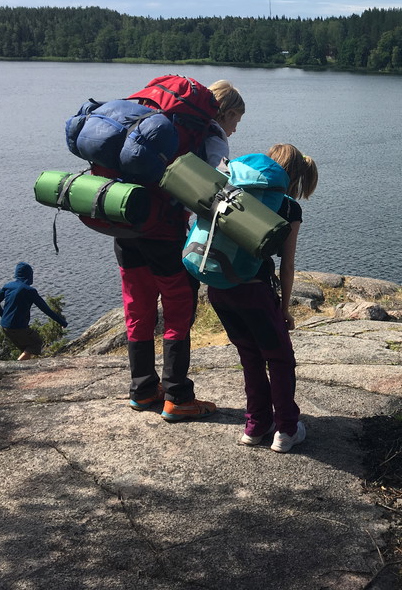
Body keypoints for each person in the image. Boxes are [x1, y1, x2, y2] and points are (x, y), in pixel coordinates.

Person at [118, 80, 245, 422]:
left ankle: (143, 389)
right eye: (237, 120)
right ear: (226, 112)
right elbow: (219, 185)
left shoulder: (154, 121)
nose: (235, 128)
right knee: (178, 308)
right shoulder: (211, 133)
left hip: (125, 221)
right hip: (163, 230)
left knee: (138, 306)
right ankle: (177, 397)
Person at [207, 144, 318, 452]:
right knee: (280, 359)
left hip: (218, 289)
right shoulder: (288, 208)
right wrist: (284, 308)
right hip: (255, 292)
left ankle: (256, 425)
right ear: (295, 177)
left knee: (250, 356)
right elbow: (288, 265)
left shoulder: (232, 193)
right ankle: (286, 429)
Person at [0, 262, 68, 360]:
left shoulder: (8, 286)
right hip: (18, 327)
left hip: (5, 326)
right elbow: (45, 309)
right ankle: (16, 366)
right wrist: (62, 322)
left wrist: (4, 316)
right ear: (29, 275)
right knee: (36, 343)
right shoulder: (29, 290)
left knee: (25, 349)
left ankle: (21, 366)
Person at [204, 80, 246, 170]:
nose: (235, 130)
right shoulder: (216, 144)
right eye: (237, 121)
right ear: (229, 114)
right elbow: (219, 176)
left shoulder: (195, 128)